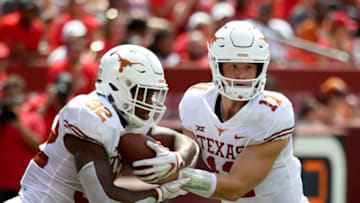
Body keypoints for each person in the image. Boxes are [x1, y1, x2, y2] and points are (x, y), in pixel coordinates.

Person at [134, 21, 309, 203]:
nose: (241, 76)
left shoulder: (272, 113)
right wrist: (172, 160)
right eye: (234, 66)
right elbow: (190, 155)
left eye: (248, 67)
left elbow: (236, 187)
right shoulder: (196, 101)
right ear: (216, 66)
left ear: (260, 68)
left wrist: (178, 174)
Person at [5, 45, 199, 203]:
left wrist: (178, 158)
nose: (150, 102)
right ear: (118, 85)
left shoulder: (125, 116)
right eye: (144, 92)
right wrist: (160, 194)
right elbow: (103, 199)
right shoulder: (89, 115)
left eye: (153, 94)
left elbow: (181, 141)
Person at [0, 75, 47, 202]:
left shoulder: (33, 117)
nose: (12, 100)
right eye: (9, 96)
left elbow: (37, 145)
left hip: (24, 185)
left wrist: (19, 124)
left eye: (15, 96)